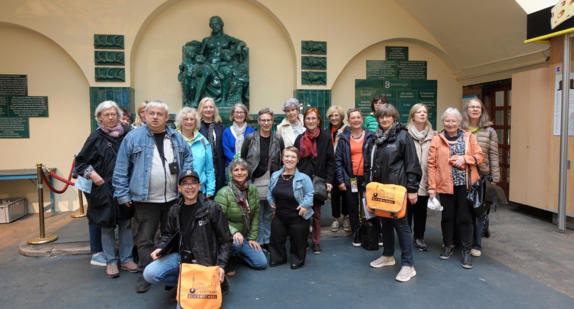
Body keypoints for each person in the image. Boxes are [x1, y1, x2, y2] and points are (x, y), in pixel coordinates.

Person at [113, 100, 194, 293]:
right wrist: (122, 194)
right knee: (145, 239)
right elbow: (121, 169)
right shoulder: (132, 138)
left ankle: (169, 275)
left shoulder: (176, 137)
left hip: (174, 199)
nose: (155, 117)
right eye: (152, 113)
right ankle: (144, 274)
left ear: (167, 117)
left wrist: (186, 183)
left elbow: (188, 159)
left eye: (160, 114)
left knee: (174, 237)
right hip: (145, 200)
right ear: (146, 115)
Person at [143, 170, 232, 302]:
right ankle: (183, 282)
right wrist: (160, 247)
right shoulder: (174, 210)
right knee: (149, 274)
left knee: (189, 305)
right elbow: (167, 234)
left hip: (204, 261)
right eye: (185, 183)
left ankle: (214, 281)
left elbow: (226, 240)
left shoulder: (212, 208)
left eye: (193, 183)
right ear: (179, 188)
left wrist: (221, 266)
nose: (189, 187)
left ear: (199, 186)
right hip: (181, 258)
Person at [75, 100, 136, 278]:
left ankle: (126, 258)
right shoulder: (95, 137)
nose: (110, 117)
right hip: (103, 188)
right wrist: (92, 174)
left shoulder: (128, 134)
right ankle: (111, 261)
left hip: (125, 186)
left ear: (118, 115)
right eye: (106, 114)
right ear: (100, 117)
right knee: (107, 225)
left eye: (113, 114)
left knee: (126, 224)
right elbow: (81, 162)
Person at [365, 104, 422, 282]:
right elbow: (370, 163)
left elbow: (412, 165)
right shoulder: (375, 138)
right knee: (385, 223)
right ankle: (388, 256)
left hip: (398, 190)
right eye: (381, 117)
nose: (384, 119)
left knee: (402, 226)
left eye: (388, 116)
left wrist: (412, 190)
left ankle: (408, 265)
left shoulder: (403, 136)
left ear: (394, 117)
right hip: (380, 190)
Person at [428, 108, 484, 269]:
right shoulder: (437, 139)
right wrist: (432, 186)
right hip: (445, 185)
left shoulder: (468, 137)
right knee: (447, 217)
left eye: (453, 121)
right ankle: (447, 245)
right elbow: (431, 165)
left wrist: (464, 158)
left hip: (466, 185)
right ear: (443, 122)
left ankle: (466, 251)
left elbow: (479, 157)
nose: (450, 124)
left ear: (459, 122)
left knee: (465, 218)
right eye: (447, 121)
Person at [241, 108, 285, 253]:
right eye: (263, 120)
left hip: (272, 180)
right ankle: (259, 241)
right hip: (255, 180)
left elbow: (281, 161)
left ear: (273, 122)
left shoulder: (278, 139)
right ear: (258, 121)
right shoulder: (250, 138)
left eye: (269, 120)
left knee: (269, 213)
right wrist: (245, 180)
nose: (266, 123)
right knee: (257, 213)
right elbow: (243, 159)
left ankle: (268, 241)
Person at [215, 159, 267, 276]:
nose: (240, 173)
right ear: (231, 173)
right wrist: (233, 232)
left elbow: (255, 215)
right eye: (236, 170)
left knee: (261, 263)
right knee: (236, 244)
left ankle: (238, 254)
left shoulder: (252, 189)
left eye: (243, 169)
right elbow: (218, 219)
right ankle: (226, 257)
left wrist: (252, 238)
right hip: (228, 237)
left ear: (247, 172)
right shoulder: (223, 193)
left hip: (244, 237)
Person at [294, 108, 335, 254]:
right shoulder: (299, 138)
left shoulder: (325, 138)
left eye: (313, 118)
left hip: (319, 181)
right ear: (304, 121)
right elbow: (295, 160)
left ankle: (316, 242)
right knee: (304, 213)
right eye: (308, 118)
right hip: (302, 182)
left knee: (317, 215)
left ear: (318, 120)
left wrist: (329, 180)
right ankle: (304, 240)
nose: (311, 121)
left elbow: (331, 161)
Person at [462, 98, 500, 257]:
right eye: (472, 107)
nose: (475, 110)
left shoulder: (490, 131)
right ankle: (462, 241)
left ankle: (476, 245)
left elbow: (493, 155)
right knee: (463, 211)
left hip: (482, 176)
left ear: (482, 111)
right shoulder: (459, 128)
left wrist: (495, 177)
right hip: (463, 174)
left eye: (478, 107)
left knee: (479, 211)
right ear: (467, 110)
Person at [267, 147, 314, 269]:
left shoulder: (304, 178)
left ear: (298, 160)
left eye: (293, 157)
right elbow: (269, 190)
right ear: (282, 159)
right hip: (280, 215)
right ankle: (278, 258)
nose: (289, 159)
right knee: (276, 238)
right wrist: (271, 201)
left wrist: (305, 205)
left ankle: (297, 259)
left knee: (298, 241)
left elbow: (310, 193)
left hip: (298, 216)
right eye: (287, 156)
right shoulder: (275, 176)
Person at [335, 108, 374, 246]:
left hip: (368, 179)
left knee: (370, 206)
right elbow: (338, 160)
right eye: (353, 118)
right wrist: (340, 180)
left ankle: (373, 233)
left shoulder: (371, 136)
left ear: (362, 119)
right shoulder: (344, 139)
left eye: (358, 117)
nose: (356, 120)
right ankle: (357, 233)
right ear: (348, 121)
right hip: (351, 179)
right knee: (352, 206)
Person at [405, 103, 436, 251]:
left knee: (421, 212)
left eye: (425, 112)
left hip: (426, 180)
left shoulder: (434, 135)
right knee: (407, 212)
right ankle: (406, 237)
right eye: (419, 112)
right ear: (413, 116)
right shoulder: (404, 134)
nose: (422, 114)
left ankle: (419, 237)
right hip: (408, 181)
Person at [175, 106, 216, 198]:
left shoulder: (203, 141)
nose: (189, 122)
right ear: (181, 121)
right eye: (186, 119)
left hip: (198, 190)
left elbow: (209, 168)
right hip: (176, 191)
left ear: (196, 121)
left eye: (192, 119)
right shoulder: (172, 139)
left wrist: (210, 189)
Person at [324, 105, 351, 233]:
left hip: (346, 167)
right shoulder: (324, 131)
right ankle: (335, 219)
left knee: (346, 194)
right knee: (334, 194)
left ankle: (345, 218)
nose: (334, 118)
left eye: (337, 115)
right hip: (331, 167)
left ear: (341, 117)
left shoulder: (348, 130)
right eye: (332, 115)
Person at [197, 97, 226, 194]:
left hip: (218, 165)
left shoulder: (220, 126)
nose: (208, 110)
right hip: (202, 165)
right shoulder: (196, 127)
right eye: (205, 107)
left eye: (211, 107)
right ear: (201, 109)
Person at [222, 103, 254, 181]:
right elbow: (226, 150)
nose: (239, 114)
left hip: (246, 168)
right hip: (231, 167)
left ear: (246, 115)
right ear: (232, 114)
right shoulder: (227, 131)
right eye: (236, 112)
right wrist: (237, 162)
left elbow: (252, 150)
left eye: (241, 112)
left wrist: (243, 163)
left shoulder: (251, 131)